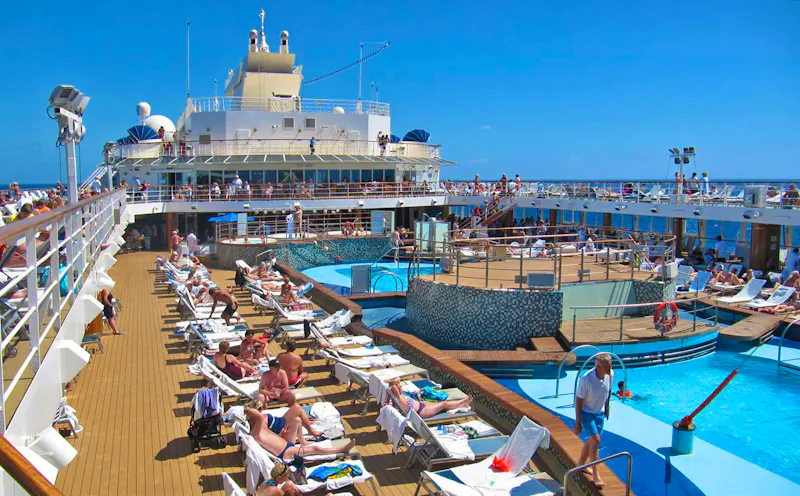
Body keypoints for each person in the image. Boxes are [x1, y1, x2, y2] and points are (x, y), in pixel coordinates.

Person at [245, 407, 355, 464]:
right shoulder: (255, 433)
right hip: (285, 453)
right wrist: (246, 409)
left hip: (286, 444)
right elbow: (259, 416)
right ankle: (342, 449)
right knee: (315, 448)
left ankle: (303, 442)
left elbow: (269, 435)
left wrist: (281, 434)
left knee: (297, 420)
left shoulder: (260, 429)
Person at [573, 353, 613, 488]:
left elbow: (608, 390)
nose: (610, 367)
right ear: (598, 366)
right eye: (607, 365)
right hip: (586, 413)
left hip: (599, 413)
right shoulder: (586, 379)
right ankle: (596, 475)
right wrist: (578, 421)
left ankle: (580, 466)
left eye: (610, 364)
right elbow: (578, 400)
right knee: (595, 440)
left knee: (591, 441)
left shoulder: (610, 374)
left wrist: (607, 407)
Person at [387, 379, 473, 418]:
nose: (401, 385)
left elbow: (394, 388)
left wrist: (397, 385)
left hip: (421, 405)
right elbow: (393, 387)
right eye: (399, 384)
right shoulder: (399, 397)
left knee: (441, 403)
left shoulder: (400, 396)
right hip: (422, 412)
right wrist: (395, 385)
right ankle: (462, 401)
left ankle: (461, 405)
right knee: (444, 404)